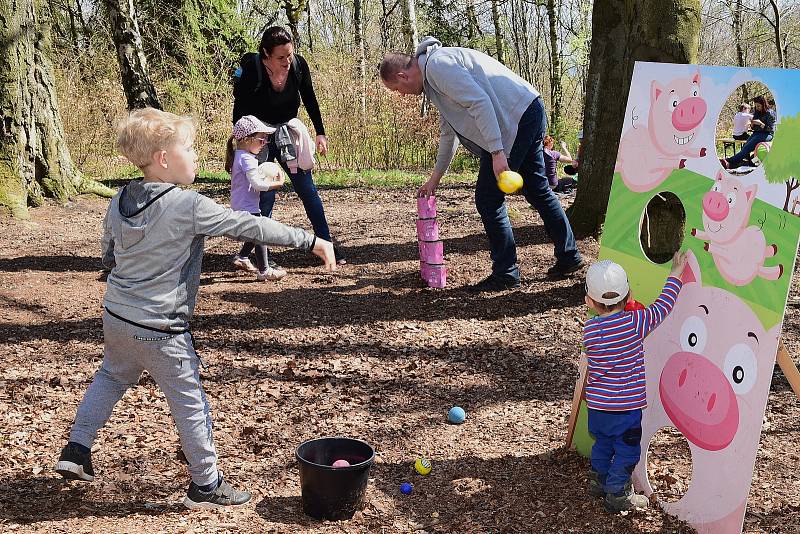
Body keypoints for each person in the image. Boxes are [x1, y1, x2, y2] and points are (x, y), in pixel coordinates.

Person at [54, 108, 335, 509]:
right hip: (161, 329)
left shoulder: (120, 197)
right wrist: (309, 240)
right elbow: (249, 226)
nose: (196, 155)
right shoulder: (188, 205)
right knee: (190, 401)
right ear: (164, 159)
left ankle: (77, 449)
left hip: (116, 317)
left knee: (111, 378)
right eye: (188, 147)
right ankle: (206, 483)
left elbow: (108, 252)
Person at [379, 37, 583, 291]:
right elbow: (448, 133)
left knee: (488, 199)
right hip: (524, 113)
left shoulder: (438, 66)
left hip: (515, 121)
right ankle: (569, 257)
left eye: (396, 89)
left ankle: (506, 272)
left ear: (402, 75)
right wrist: (435, 178)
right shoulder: (433, 78)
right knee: (537, 190)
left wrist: (497, 152)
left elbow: (480, 102)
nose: (401, 95)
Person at [583, 252, 686, 513]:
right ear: (629, 296)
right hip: (625, 410)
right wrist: (675, 273)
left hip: (598, 407)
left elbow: (606, 329)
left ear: (589, 301)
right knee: (628, 453)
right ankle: (617, 493)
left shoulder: (590, 330)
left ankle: (599, 480)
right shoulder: (635, 323)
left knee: (603, 443)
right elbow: (662, 307)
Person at [233, 25, 345, 264]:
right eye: (280, 57)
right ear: (266, 54)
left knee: (307, 189)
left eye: (289, 55)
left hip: (287, 134)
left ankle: (326, 243)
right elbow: (239, 109)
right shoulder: (253, 70)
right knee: (265, 195)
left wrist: (320, 133)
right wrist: (242, 144)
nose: (286, 61)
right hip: (258, 138)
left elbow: (310, 98)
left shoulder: (298, 66)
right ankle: (264, 256)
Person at [226, 115, 288, 281]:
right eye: (262, 139)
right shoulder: (247, 159)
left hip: (241, 204)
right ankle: (264, 271)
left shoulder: (240, 155)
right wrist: (277, 183)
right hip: (247, 207)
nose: (264, 143)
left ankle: (242, 257)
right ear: (247, 139)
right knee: (261, 233)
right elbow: (257, 185)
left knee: (255, 234)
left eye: (266, 140)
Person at [723, 95, 774, 169]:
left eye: (759, 106)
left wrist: (761, 124)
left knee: (747, 149)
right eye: (756, 106)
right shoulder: (757, 112)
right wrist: (752, 125)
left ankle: (728, 160)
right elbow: (754, 128)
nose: (757, 108)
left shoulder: (770, 113)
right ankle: (748, 163)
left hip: (767, 134)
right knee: (745, 147)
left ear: (764, 105)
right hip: (756, 133)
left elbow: (771, 129)